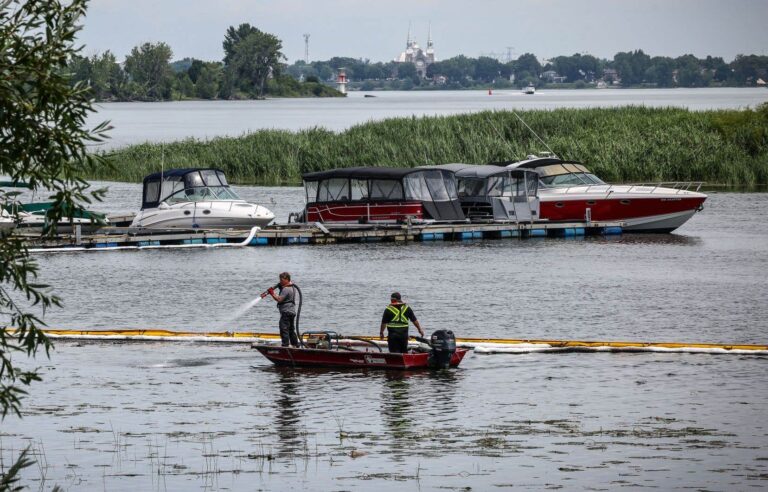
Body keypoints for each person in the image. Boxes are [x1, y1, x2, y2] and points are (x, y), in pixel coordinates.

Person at [268, 272, 299, 347]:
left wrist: (272, 293)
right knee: (291, 330)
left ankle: (285, 345)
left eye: (281, 280)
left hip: (286, 312)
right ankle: (295, 345)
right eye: (280, 280)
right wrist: (280, 287)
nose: (280, 281)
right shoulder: (292, 287)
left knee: (284, 329)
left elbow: (279, 299)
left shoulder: (286, 289)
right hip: (291, 312)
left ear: (287, 279)